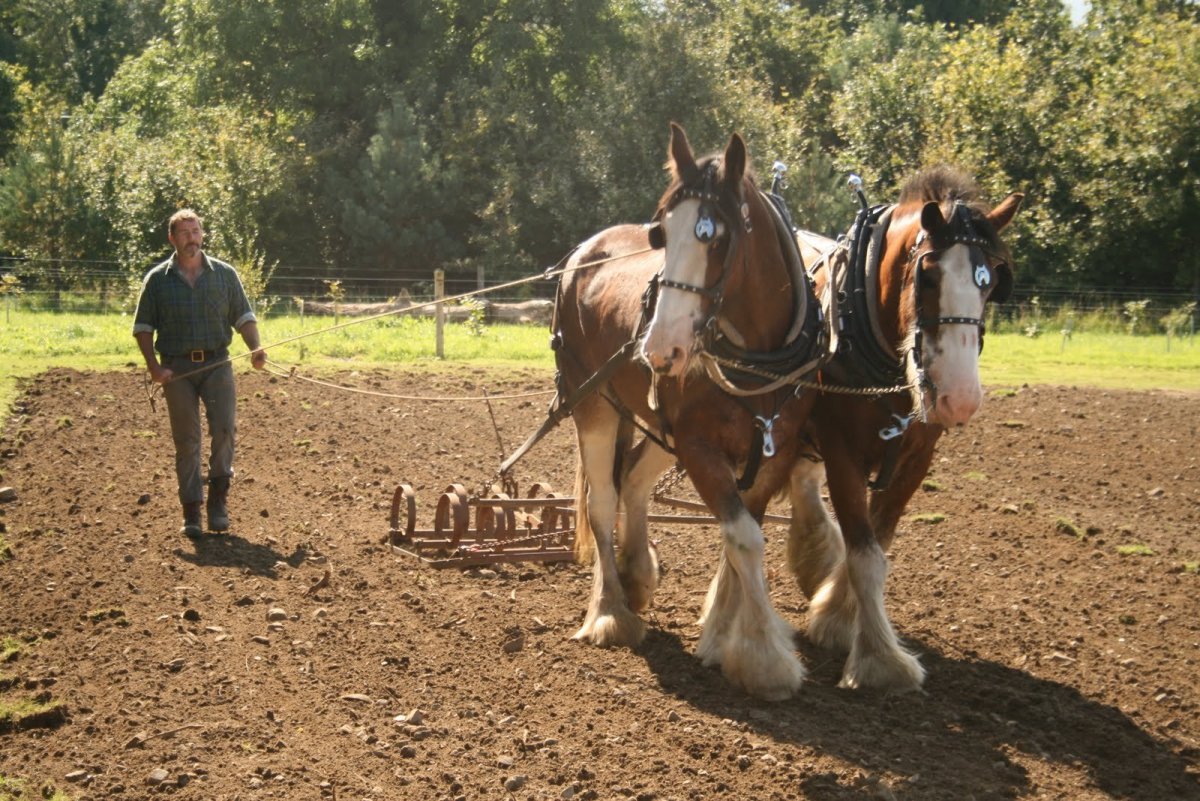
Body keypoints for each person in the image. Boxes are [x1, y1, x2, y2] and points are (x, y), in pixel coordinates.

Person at [132, 209, 267, 538]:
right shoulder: (157, 280)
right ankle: (191, 510)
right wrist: (154, 367)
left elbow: (244, 316)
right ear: (172, 239)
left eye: (196, 231)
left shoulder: (224, 275)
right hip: (176, 368)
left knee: (223, 430)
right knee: (187, 440)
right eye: (184, 233)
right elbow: (143, 328)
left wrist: (255, 348)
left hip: (217, 363)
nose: (191, 238)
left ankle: (218, 502)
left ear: (202, 234)